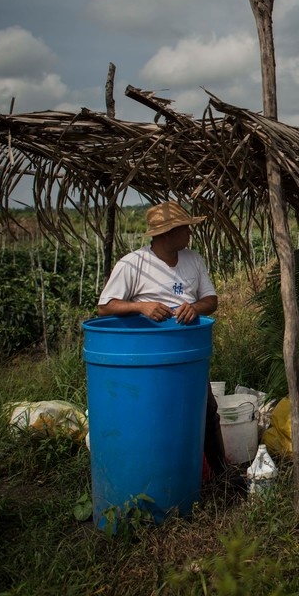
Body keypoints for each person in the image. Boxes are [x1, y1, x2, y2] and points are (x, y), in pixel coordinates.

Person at [97, 201, 227, 474]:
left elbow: (211, 300)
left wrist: (194, 308)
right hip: (150, 353)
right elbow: (105, 306)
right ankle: (159, 471)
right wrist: (140, 306)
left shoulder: (193, 260)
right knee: (158, 414)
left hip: (189, 349)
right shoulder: (134, 264)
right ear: (167, 233)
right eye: (185, 229)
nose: (190, 233)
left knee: (205, 410)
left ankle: (220, 474)